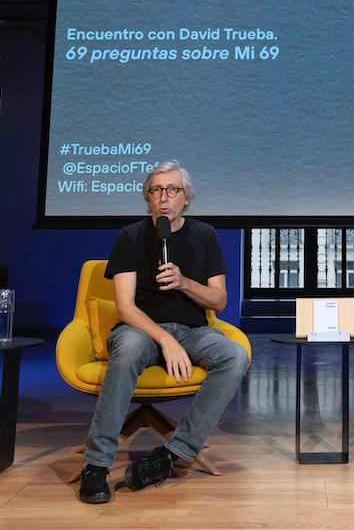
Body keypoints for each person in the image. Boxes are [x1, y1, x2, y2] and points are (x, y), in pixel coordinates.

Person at [78, 161, 248, 506]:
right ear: (148, 198)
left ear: (186, 198)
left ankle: (171, 454)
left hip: (192, 331)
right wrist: (165, 339)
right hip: (139, 329)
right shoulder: (130, 236)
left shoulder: (205, 235)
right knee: (128, 350)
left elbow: (219, 300)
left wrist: (184, 282)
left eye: (172, 190)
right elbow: (125, 307)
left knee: (235, 355)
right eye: (156, 190)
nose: (164, 197)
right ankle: (96, 464)